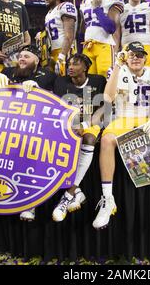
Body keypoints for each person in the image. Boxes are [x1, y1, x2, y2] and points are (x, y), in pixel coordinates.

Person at [92, 41, 150, 229]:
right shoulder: (117, 70)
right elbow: (108, 99)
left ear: (146, 57)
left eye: (139, 55)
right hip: (123, 119)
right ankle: (107, 199)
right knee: (107, 140)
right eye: (131, 55)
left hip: (146, 118)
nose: (135, 58)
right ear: (125, 57)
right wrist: (117, 66)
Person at [0, 45, 56, 221]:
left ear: (37, 60)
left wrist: (39, 89)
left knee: (29, 155)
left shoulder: (47, 75)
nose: (22, 59)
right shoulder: (7, 71)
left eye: (27, 56)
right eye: (20, 56)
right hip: (5, 125)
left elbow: (56, 102)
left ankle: (29, 204)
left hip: (33, 128)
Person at [51, 53, 106, 222]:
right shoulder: (60, 82)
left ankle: (68, 195)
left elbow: (107, 107)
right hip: (68, 125)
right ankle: (78, 192)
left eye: (75, 64)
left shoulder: (98, 81)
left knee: (88, 139)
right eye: (69, 64)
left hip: (92, 123)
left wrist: (86, 125)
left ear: (86, 67)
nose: (70, 67)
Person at [79, 0, 124, 77]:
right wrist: (80, 52)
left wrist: (97, 9)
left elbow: (111, 28)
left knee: (106, 80)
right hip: (87, 48)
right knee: (88, 83)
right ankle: (87, 95)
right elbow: (81, 32)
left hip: (105, 46)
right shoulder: (85, 2)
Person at [38, 0, 77, 75]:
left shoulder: (65, 6)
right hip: (52, 53)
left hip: (64, 51)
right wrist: (41, 35)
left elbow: (69, 36)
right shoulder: (48, 14)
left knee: (66, 82)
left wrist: (62, 56)